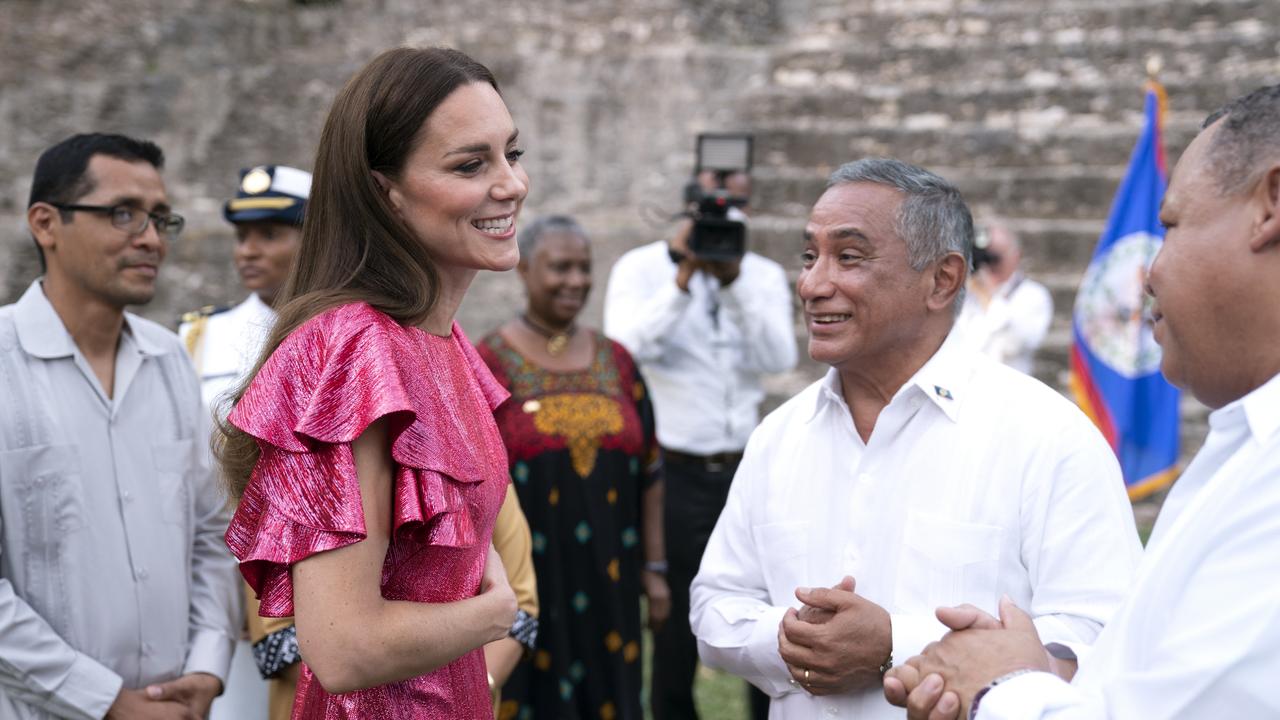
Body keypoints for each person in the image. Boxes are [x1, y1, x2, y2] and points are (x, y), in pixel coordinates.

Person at [688, 158, 1143, 720]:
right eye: (810, 256)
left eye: (848, 257)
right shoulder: (779, 436)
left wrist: (893, 647)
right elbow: (715, 607)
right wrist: (788, 640)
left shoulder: (1046, 435)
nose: (811, 283)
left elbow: (1103, 635)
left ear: (942, 279)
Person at [885, 84, 1280, 720]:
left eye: (1172, 226)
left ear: (1271, 205)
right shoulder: (1245, 448)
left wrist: (1004, 683)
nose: (1148, 273)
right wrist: (1039, 672)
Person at [217, 46, 527, 718]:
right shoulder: (357, 351)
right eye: (471, 164)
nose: (511, 184)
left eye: (512, 154)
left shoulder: (439, 342)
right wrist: (493, 613)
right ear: (384, 191)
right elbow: (343, 648)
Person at [0, 132, 239, 718]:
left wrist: (208, 665)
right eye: (123, 214)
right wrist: (107, 702)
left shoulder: (169, 360)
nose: (151, 238)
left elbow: (211, 533)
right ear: (46, 223)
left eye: (161, 218)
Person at [604, 168, 797, 719]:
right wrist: (683, 280)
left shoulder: (756, 274)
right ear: (684, 216)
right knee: (677, 619)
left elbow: (779, 357)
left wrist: (732, 283)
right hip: (676, 469)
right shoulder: (641, 270)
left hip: (748, 464)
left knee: (764, 605)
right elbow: (624, 351)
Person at [477, 215, 670, 720]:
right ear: (524, 270)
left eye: (584, 269)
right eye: (560, 268)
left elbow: (650, 470)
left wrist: (655, 570)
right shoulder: (488, 363)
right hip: (527, 578)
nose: (576, 281)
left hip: (613, 574)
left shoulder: (619, 361)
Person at [179, 164, 311, 720]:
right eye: (242, 235)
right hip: (226, 590)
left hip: (318, 581)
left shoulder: (349, 330)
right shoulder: (199, 337)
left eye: (270, 234)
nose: (247, 251)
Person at [950, 221, 1053, 375]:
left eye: (995, 257)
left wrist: (989, 297)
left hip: (1008, 389)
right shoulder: (966, 293)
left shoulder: (1032, 295)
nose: (988, 264)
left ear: (1016, 256)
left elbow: (1015, 344)